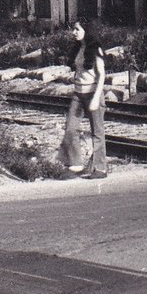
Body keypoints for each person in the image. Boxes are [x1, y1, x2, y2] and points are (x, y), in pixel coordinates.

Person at [60, 20, 107, 178]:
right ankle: (76, 164)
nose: (74, 32)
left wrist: (95, 99)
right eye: (73, 29)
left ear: (87, 30)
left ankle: (100, 169)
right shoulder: (79, 48)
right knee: (70, 128)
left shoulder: (96, 49)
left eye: (77, 29)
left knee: (97, 132)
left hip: (93, 93)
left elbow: (102, 75)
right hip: (78, 94)